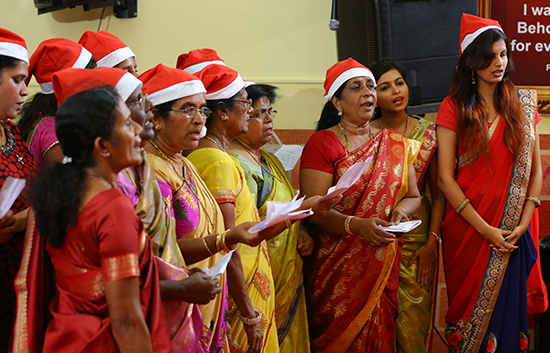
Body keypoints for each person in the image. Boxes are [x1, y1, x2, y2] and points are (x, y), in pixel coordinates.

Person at [140, 64, 283, 352]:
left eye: (202, 110)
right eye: (187, 109)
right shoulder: (153, 170)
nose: (199, 120)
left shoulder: (185, 163)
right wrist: (227, 239)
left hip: (207, 302)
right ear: (156, 117)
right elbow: (161, 252)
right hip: (175, 305)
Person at [25, 87, 171, 352]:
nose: (138, 130)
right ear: (102, 145)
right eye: (127, 123)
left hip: (66, 338)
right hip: (102, 343)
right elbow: (126, 321)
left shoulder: (65, 192)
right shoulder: (112, 207)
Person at [299, 57, 422, 353]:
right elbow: (313, 210)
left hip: (381, 260)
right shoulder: (323, 143)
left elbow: (414, 195)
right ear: (337, 103)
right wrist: (357, 226)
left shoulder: (394, 143)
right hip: (335, 269)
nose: (368, 92)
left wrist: (399, 213)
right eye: (357, 87)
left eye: (370, 86)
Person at [437, 14, 542, 353]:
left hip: (512, 230)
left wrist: (524, 221)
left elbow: (536, 171)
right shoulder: (452, 108)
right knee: (468, 324)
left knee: (509, 323)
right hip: (468, 233)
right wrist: (485, 230)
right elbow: (444, 178)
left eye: (503, 54)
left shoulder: (523, 105)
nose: (499, 63)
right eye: (490, 56)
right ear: (471, 61)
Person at [188, 64, 280, 353]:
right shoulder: (219, 162)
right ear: (223, 113)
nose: (250, 109)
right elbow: (228, 244)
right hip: (242, 288)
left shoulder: (211, 155)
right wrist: (248, 311)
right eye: (244, 102)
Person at [228, 83, 312, 352]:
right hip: (260, 272)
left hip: (288, 268)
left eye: (269, 111)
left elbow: (286, 201)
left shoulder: (268, 159)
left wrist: (301, 230)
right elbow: (246, 224)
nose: (269, 119)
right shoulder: (234, 163)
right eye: (259, 113)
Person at [369, 58, 444, 353]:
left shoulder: (428, 133)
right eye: (385, 87)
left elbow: (438, 194)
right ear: (373, 97)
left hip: (416, 239)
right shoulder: (366, 133)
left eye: (399, 83)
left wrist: (432, 243)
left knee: (413, 324)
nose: (396, 91)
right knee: (374, 322)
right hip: (372, 236)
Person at [0, 28, 39, 351]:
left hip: (17, 280)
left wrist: (30, 217)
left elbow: (37, 190)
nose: (25, 91)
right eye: (17, 80)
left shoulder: (12, 133)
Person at [17, 38, 96, 165]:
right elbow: (79, 180)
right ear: (71, 85)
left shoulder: (48, 116)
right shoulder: (54, 130)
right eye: (90, 80)